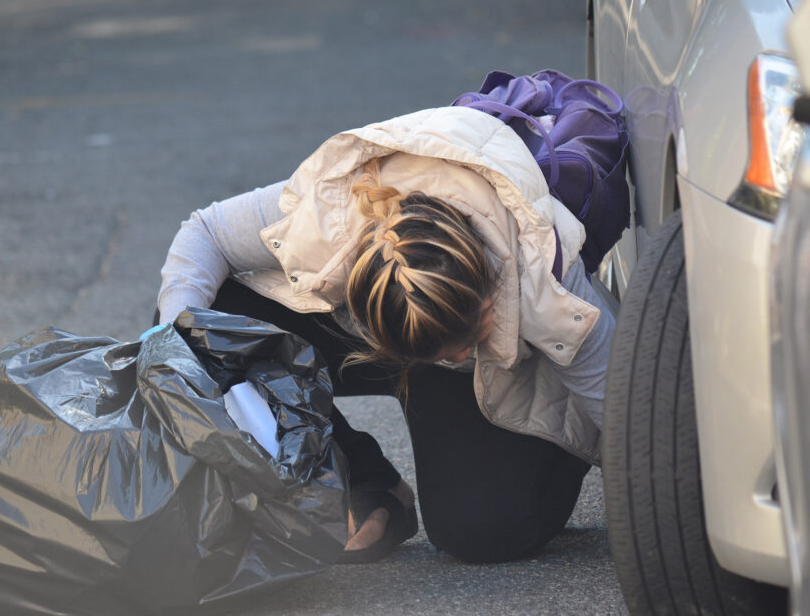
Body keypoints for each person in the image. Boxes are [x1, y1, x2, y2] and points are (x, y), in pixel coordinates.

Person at [156, 105, 615, 564]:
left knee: (483, 534)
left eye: (468, 335)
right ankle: (366, 484)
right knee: (200, 322)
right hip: (380, 335)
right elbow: (205, 233)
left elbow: (624, 415)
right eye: (439, 350)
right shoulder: (332, 214)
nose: (454, 354)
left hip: (489, 375)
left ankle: (540, 452)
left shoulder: (545, 274)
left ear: (486, 293)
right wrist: (179, 360)